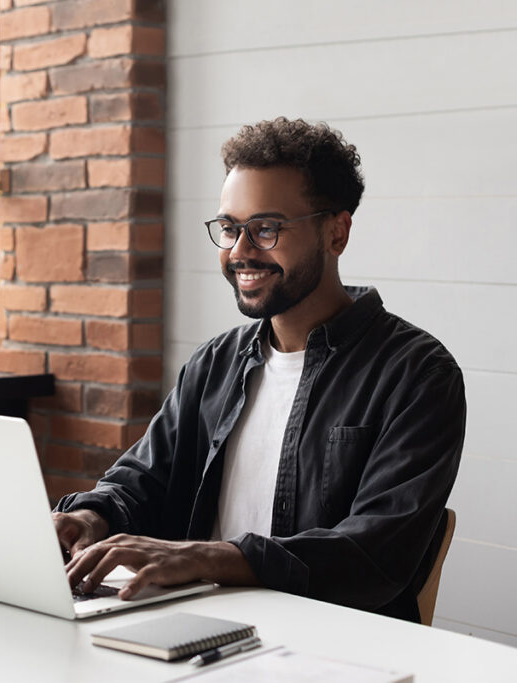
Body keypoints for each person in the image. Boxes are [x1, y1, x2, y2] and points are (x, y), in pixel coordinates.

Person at [54, 117, 465, 622]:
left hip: (334, 646)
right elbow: (143, 481)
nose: (239, 251)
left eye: (266, 228)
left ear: (336, 232)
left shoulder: (417, 373)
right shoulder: (215, 363)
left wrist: (205, 556)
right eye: (229, 228)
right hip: (199, 628)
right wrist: (90, 517)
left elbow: (373, 553)